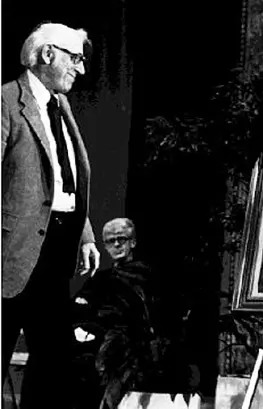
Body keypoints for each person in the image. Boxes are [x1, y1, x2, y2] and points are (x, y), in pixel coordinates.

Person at [2, 22, 100, 408]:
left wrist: (86, 235)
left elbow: (65, 179)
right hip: (11, 254)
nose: (81, 68)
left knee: (54, 366)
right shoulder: (7, 101)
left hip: (57, 251)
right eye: (75, 58)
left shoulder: (61, 106)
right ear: (48, 54)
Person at [72, 218, 159, 409]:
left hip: (133, 345)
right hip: (94, 339)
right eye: (111, 241)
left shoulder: (148, 277)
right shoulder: (100, 278)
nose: (117, 244)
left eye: (122, 239)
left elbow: (142, 315)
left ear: (133, 242)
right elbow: (78, 308)